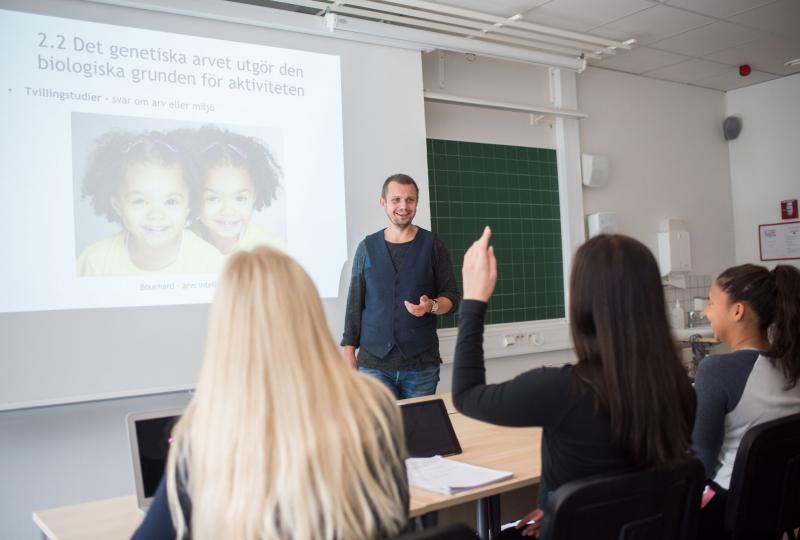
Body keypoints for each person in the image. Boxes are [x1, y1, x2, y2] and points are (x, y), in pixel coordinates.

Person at [132, 247, 410, 540]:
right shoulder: (372, 408)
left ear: (225, 330)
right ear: (310, 313)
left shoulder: (203, 438)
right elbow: (395, 518)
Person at [454, 229, 696, 538]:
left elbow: (465, 395)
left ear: (583, 301)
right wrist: (566, 508)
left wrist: (474, 299)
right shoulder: (681, 389)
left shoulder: (561, 390)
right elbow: (637, 484)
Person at [693, 263, 800, 539]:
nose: (707, 311)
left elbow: (700, 464)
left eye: (711, 302)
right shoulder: (792, 365)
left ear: (737, 311)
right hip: (781, 504)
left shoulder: (715, 369)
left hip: (728, 510)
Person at [341, 173, 461, 399]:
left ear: (417, 202)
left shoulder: (433, 245)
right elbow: (354, 303)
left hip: (421, 366)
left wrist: (431, 306)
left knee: (417, 431)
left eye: (410, 200)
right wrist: (349, 352)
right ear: (383, 202)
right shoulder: (366, 247)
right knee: (380, 433)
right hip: (373, 365)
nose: (403, 206)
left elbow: (452, 298)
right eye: (396, 200)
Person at [76, 131, 222, 276]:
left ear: (189, 204)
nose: (156, 215)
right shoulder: (94, 262)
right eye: (139, 201)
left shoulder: (210, 263)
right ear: (117, 205)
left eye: (171, 201)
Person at [176, 125, 285, 255]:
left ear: (254, 196)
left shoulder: (272, 248)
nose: (228, 210)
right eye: (213, 198)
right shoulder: (179, 246)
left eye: (240, 198)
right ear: (194, 196)